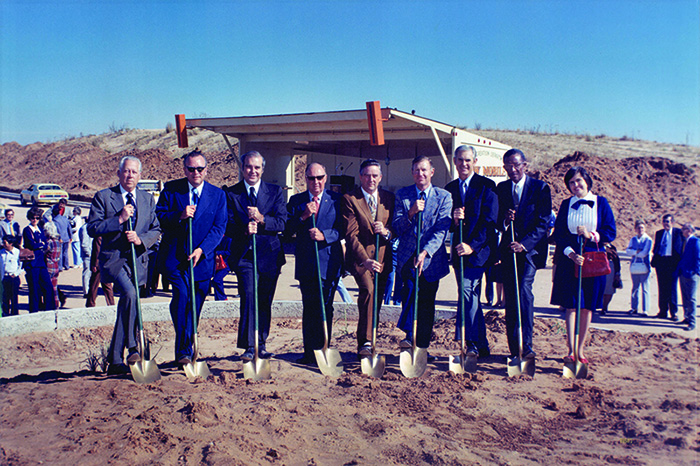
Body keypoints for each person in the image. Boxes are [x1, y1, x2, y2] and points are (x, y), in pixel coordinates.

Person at [87, 155, 161, 375]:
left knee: (126, 307)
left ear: (140, 176)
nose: (130, 176)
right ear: (119, 173)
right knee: (129, 295)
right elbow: (92, 228)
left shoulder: (147, 199)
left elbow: (155, 229)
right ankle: (132, 345)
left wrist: (141, 240)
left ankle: (114, 359)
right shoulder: (104, 196)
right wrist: (118, 220)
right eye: (126, 171)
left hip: (138, 260)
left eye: (134, 172)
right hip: (114, 260)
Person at [156, 150, 227, 366]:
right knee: (182, 296)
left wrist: (202, 250)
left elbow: (219, 227)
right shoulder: (171, 190)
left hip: (202, 262)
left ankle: (188, 343)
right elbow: (159, 217)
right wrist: (179, 215)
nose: (195, 172)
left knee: (194, 305)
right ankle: (183, 351)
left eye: (199, 169)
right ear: (184, 169)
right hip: (175, 259)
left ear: (206, 169)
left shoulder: (217, 195)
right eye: (191, 168)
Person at [225, 150, 287, 361]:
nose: (253, 171)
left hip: (270, 255)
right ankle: (250, 345)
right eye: (249, 167)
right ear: (243, 169)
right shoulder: (232, 193)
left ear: (263, 169)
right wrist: (243, 229)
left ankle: (261, 342)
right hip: (245, 256)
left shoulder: (275, 191)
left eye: (257, 167)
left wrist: (262, 219)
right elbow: (227, 225)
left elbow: (282, 223)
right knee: (249, 296)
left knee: (264, 300)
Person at [551, 166, 616, 364]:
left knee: (587, 307)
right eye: (571, 182)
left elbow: (610, 232)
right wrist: (570, 254)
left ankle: (581, 351)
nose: (575, 185)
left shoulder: (601, 203)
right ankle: (570, 350)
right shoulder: (565, 204)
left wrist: (591, 235)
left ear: (587, 181)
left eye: (578, 181)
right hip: (569, 261)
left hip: (593, 262)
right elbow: (559, 235)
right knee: (571, 306)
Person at [496, 148, 551, 362]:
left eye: (517, 165)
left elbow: (544, 221)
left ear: (525, 165)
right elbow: (497, 220)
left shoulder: (540, 188)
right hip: (508, 252)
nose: (513, 169)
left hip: (530, 252)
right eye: (508, 166)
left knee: (523, 293)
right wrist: (505, 221)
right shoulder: (501, 189)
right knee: (511, 297)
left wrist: (524, 244)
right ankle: (514, 348)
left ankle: (527, 346)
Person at [393, 155, 452, 355]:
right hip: (408, 257)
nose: (421, 174)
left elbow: (441, 230)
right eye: (417, 170)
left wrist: (426, 252)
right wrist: (410, 213)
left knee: (427, 303)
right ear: (412, 173)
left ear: (432, 172)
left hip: (432, 260)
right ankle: (409, 337)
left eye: (424, 170)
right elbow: (397, 227)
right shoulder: (403, 195)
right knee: (409, 292)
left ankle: (422, 348)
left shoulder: (444, 196)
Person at [287, 162, 344, 364]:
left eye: (320, 178)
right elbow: (286, 232)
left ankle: (324, 348)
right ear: (306, 179)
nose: (316, 182)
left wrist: (325, 235)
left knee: (326, 307)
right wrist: (303, 216)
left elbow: (343, 229)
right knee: (309, 308)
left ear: (325, 178)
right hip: (306, 265)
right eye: (312, 178)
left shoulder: (337, 200)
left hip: (328, 263)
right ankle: (309, 352)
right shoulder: (296, 201)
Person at [445, 145, 497, 358]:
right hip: (458, 253)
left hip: (478, 253)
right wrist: (454, 220)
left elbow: (490, 221)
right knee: (469, 297)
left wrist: (472, 245)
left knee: (468, 294)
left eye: (467, 160)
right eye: (459, 160)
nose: (463, 164)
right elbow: (446, 223)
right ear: (454, 162)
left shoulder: (487, 186)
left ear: (474, 161)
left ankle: (472, 342)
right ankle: (481, 344)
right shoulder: (450, 188)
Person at [341, 159, 395, 359]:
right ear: (360, 176)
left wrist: (387, 232)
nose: (371, 179)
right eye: (366, 175)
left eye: (375, 175)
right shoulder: (350, 199)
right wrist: (365, 260)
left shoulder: (388, 198)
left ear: (380, 177)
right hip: (361, 260)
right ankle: (365, 341)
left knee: (376, 300)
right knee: (368, 291)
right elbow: (351, 235)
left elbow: (396, 228)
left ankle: (371, 339)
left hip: (383, 260)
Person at [650, 214, 684, 321]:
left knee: (672, 288)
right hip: (661, 262)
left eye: (668, 221)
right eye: (664, 221)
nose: (666, 223)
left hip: (673, 263)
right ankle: (662, 311)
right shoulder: (659, 233)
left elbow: (682, 247)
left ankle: (673, 312)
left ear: (672, 222)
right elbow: (656, 247)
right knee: (662, 287)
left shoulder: (678, 233)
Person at [22, 206, 56, 313]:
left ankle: (50, 309)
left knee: (48, 286)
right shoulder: (27, 230)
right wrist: (40, 244)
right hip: (32, 263)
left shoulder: (40, 229)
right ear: (29, 218)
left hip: (41, 262)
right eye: (33, 218)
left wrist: (40, 244)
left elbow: (45, 245)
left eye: (37, 218)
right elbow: (31, 244)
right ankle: (34, 311)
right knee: (34, 288)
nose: (35, 220)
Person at [625, 220, 652, 316]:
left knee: (645, 288)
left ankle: (645, 310)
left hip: (644, 266)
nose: (640, 229)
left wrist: (635, 253)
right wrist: (636, 252)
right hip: (634, 266)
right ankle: (634, 307)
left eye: (642, 228)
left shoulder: (648, 240)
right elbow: (628, 251)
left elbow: (645, 253)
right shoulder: (633, 239)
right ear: (635, 229)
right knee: (635, 288)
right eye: (639, 228)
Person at [677, 223, 699, 331]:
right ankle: (686, 317)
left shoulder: (695, 241)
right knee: (685, 296)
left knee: (691, 298)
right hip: (683, 273)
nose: (682, 231)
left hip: (691, 274)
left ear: (689, 230)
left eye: (684, 229)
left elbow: (697, 258)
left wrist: (695, 272)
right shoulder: (685, 241)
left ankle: (692, 321)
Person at [85, 236, 115, 308]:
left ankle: (90, 304)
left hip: (99, 264)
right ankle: (111, 304)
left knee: (93, 285)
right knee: (107, 285)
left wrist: (94, 264)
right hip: (106, 263)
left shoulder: (99, 237)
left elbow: (97, 251)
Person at [43, 221, 64, 309]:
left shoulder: (49, 242)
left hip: (49, 266)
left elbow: (45, 252)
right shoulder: (58, 242)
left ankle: (49, 305)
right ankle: (56, 304)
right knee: (54, 287)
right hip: (56, 266)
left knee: (47, 288)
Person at [1, 235, 21, 316]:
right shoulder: (1, 252)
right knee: (5, 298)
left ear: (11, 243)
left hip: (13, 278)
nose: (3, 244)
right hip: (4, 278)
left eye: (5, 243)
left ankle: (14, 315)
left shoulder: (17, 252)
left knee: (14, 298)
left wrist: (15, 274)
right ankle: (5, 314)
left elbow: (21, 266)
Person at [600, 243, 622, 315]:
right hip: (599, 268)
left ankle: (605, 307)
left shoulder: (612, 247)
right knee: (600, 289)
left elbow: (616, 261)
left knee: (609, 290)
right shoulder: (597, 245)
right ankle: (599, 305)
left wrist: (617, 273)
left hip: (610, 269)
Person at [51, 203, 72, 271]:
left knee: (60, 253)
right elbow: (69, 228)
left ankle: (60, 267)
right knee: (65, 252)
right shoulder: (65, 218)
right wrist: (70, 236)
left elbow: (58, 230)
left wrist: (59, 238)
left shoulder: (55, 221)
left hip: (61, 239)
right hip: (66, 237)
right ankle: (66, 265)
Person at [78, 221, 92, 297]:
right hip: (88, 255)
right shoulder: (85, 228)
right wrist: (89, 253)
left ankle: (90, 290)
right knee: (87, 272)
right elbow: (84, 243)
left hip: (91, 253)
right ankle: (86, 291)